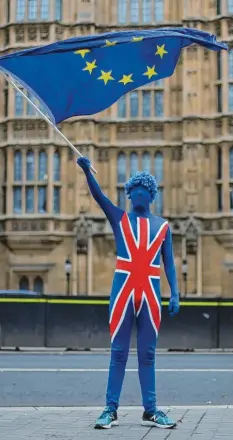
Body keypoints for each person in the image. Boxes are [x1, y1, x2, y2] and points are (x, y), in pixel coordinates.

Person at [77, 156, 180, 430]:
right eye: (133, 190)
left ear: (151, 195)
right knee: (118, 352)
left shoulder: (163, 226)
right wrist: (88, 172)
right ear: (129, 194)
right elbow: (100, 198)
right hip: (123, 291)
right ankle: (110, 409)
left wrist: (176, 292)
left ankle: (151, 409)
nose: (137, 194)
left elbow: (168, 262)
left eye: (143, 190)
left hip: (150, 293)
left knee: (147, 354)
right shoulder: (119, 218)